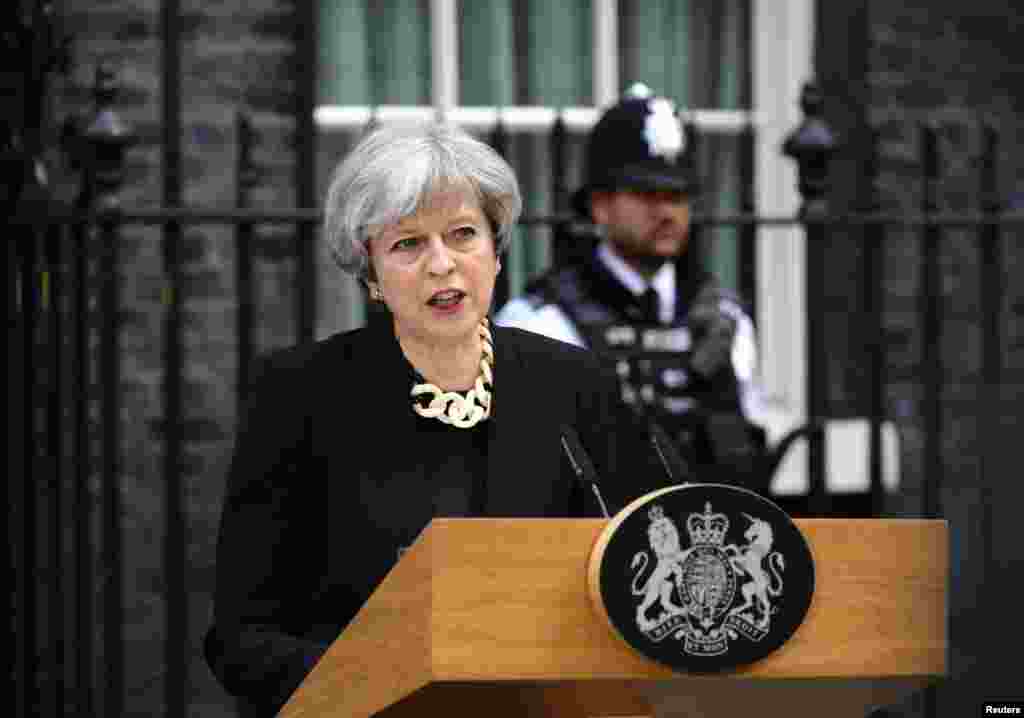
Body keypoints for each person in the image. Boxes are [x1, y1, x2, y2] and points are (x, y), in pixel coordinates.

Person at [202, 120, 678, 717]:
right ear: (370, 272)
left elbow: (639, 584)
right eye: (407, 244)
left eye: (463, 235)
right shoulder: (300, 395)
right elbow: (241, 637)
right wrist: (375, 680)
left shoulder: (572, 385)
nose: (442, 264)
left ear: (496, 252)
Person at [496, 83, 766, 489]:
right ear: (599, 206)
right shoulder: (543, 323)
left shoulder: (726, 319)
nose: (667, 212)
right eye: (646, 193)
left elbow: (745, 455)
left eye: (678, 195)